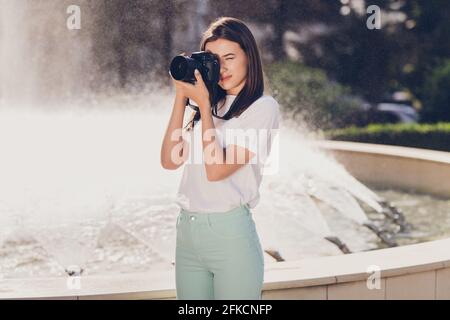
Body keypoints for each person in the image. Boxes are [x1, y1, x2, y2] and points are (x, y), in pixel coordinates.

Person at [160, 16, 280, 300]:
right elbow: (169, 160)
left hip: (230, 234)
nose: (222, 67)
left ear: (249, 58)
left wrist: (202, 103)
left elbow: (216, 170)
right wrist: (181, 96)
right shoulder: (209, 104)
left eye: (229, 57)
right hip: (188, 232)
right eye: (214, 59)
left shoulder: (262, 108)